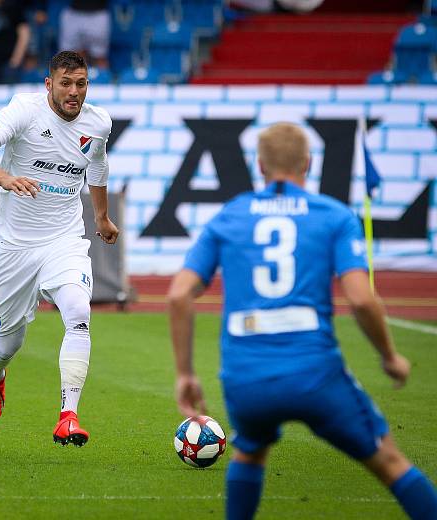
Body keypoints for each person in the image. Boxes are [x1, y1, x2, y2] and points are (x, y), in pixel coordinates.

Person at [167, 122, 437, 519]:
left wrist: (185, 373)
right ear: (308, 163)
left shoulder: (230, 216)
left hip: (248, 377)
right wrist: (389, 356)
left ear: (260, 165)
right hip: (316, 374)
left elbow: (177, 295)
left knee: (251, 449)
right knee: (391, 463)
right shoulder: (333, 216)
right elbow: (362, 300)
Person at [0, 50, 118, 446]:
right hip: (14, 246)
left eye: (81, 84)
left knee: (79, 311)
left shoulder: (98, 123)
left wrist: (100, 216)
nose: (74, 92)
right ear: (49, 84)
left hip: (64, 239)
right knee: (8, 341)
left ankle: (69, 416)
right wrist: (4, 177)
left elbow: (97, 166)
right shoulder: (23, 111)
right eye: (66, 83)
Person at [58, 0, 110, 70]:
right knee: (69, 57)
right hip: (73, 12)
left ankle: (102, 78)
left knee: (99, 56)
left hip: (98, 13)